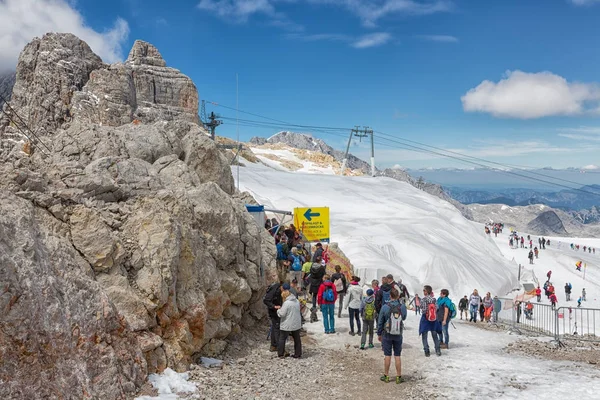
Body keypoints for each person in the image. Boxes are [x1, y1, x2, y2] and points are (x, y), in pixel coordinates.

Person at [377, 288, 407, 384]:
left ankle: (386, 375)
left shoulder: (385, 307)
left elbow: (380, 321)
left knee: (387, 355)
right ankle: (398, 376)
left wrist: (379, 333)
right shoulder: (402, 307)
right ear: (398, 296)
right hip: (398, 333)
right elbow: (404, 317)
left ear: (390, 296)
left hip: (387, 333)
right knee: (397, 355)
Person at [277, 286, 302, 358]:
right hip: (296, 323)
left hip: (287, 324)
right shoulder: (297, 301)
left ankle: (281, 354)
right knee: (297, 339)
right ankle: (298, 353)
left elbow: (282, 314)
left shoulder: (286, 303)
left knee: (282, 338)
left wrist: (278, 310)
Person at [419, 285, 441, 357]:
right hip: (433, 319)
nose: (423, 292)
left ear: (426, 291)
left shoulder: (423, 300)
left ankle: (427, 351)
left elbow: (423, 309)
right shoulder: (434, 299)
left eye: (424, 290)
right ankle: (437, 350)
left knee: (424, 335)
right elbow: (437, 308)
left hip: (425, 318)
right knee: (434, 334)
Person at [263, 282, 283, 352]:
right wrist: (274, 306)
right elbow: (266, 300)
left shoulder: (278, 289)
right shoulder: (274, 290)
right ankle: (277, 346)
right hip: (274, 312)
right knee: (276, 328)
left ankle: (274, 345)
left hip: (276, 311)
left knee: (275, 327)